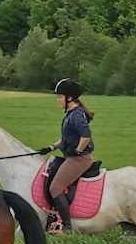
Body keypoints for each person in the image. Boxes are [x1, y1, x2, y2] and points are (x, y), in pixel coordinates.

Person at [40, 77, 95, 234]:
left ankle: (67, 227)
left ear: (69, 97)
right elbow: (66, 138)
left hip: (79, 159)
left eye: (59, 96)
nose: (57, 100)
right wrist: (51, 147)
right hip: (72, 157)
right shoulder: (71, 113)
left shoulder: (76, 115)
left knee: (55, 187)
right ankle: (52, 217)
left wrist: (77, 151)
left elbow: (86, 137)